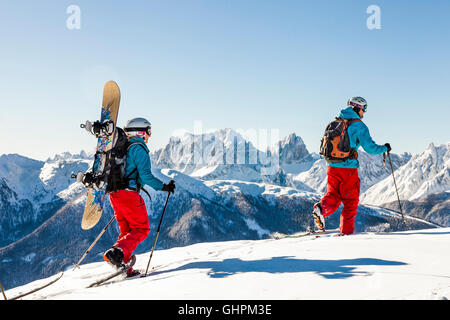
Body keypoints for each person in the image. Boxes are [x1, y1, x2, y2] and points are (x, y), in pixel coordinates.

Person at [103, 117, 176, 277]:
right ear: (140, 132)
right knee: (141, 229)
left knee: (126, 232)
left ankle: (124, 267)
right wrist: (165, 187)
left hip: (114, 195)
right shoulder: (139, 149)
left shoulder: (124, 147)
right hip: (129, 195)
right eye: (148, 132)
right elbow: (146, 176)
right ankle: (117, 253)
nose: (149, 136)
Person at [312, 97, 391, 235]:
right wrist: (384, 148)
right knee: (350, 201)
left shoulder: (335, 123)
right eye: (363, 109)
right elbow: (370, 148)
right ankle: (346, 233)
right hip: (347, 169)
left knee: (333, 195)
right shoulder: (359, 126)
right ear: (357, 108)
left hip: (331, 166)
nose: (364, 113)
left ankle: (321, 208)